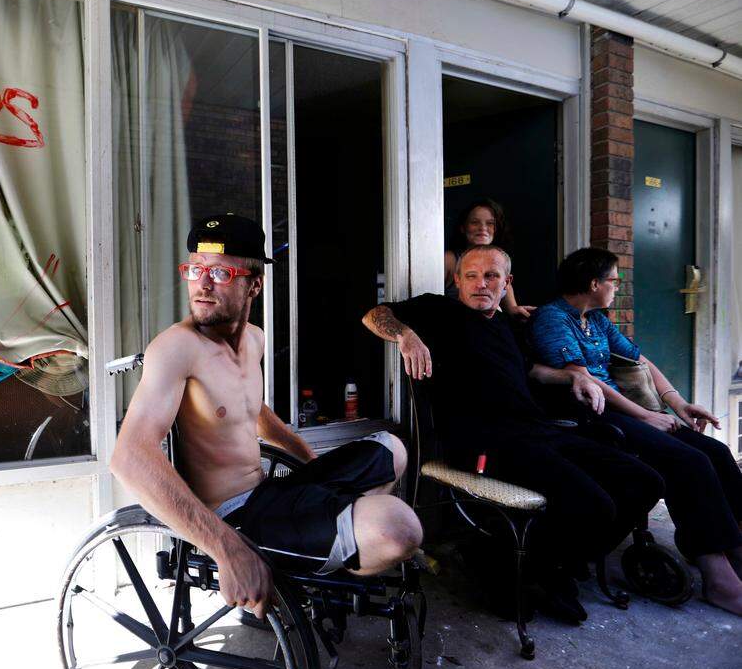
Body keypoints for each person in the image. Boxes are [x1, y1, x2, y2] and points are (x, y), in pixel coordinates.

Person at [110, 213, 422, 619]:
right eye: (195, 269)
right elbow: (129, 457)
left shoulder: (253, 339)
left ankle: (324, 543)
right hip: (234, 518)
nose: (202, 284)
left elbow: (252, 410)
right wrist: (226, 549)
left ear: (253, 284)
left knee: (390, 448)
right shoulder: (175, 348)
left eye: (220, 272)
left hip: (268, 493)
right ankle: (326, 551)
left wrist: (314, 466)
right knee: (399, 528)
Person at [363, 244, 664, 622]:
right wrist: (406, 335)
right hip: (483, 442)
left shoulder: (506, 326)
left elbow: (532, 372)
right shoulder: (438, 311)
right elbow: (375, 315)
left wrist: (574, 375)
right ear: (457, 280)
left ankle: (546, 567)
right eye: (470, 275)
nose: (480, 284)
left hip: (537, 431)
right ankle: (531, 572)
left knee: (644, 482)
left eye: (491, 276)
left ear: (507, 283)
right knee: (596, 503)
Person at [530, 247, 742, 616]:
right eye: (613, 280)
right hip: (590, 417)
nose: (617, 287)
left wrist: (677, 403)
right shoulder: (553, 318)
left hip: (626, 411)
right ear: (593, 283)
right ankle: (718, 577)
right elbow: (584, 380)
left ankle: (734, 544)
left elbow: (639, 361)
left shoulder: (596, 319)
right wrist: (644, 416)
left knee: (716, 453)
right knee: (688, 462)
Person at [444, 199, 535, 319]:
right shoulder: (450, 260)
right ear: (463, 227)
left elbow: (511, 308)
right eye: (474, 222)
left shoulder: (500, 262)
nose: (482, 228)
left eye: (490, 223)